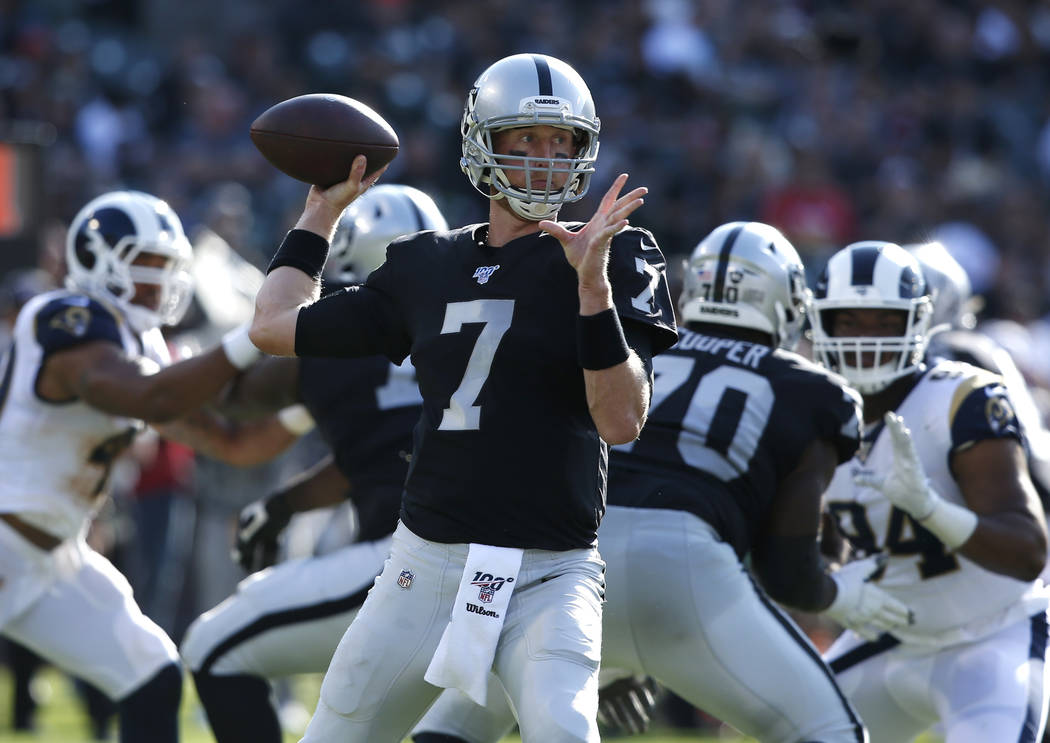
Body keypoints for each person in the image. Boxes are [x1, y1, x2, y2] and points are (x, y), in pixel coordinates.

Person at [248, 53, 678, 743]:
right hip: (427, 565)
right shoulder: (427, 263)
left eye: (561, 143)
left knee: (566, 734)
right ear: (483, 144)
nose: (545, 160)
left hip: (551, 572)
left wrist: (591, 288)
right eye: (525, 141)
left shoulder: (619, 255)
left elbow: (621, 420)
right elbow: (271, 326)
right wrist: (320, 215)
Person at [413, 222, 914, 743]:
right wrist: (837, 591)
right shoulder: (813, 391)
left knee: (454, 728)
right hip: (682, 563)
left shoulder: (626, 352)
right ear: (787, 301)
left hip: (564, 555)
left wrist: (613, 651)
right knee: (828, 729)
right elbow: (787, 572)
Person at [178, 184, 446, 743]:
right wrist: (285, 502)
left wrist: (167, 371)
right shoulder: (459, 327)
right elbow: (385, 451)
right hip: (495, 560)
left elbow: (231, 395)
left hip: (405, 562)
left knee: (212, 645)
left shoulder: (336, 340)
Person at [0, 189, 269, 743]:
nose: (160, 281)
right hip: (7, 538)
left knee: (152, 674)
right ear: (97, 258)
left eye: (168, 267)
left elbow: (232, 443)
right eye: (147, 264)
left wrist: (312, 407)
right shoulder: (64, 318)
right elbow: (147, 398)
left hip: (53, 556)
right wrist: (250, 340)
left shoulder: (141, 340)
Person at [809, 240, 1050, 743]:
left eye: (884, 322)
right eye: (849, 321)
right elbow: (817, 545)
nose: (865, 340)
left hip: (993, 635)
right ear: (821, 322)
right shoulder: (812, 408)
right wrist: (836, 590)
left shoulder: (960, 398)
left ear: (918, 324)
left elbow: (1027, 551)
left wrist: (931, 510)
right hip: (890, 637)